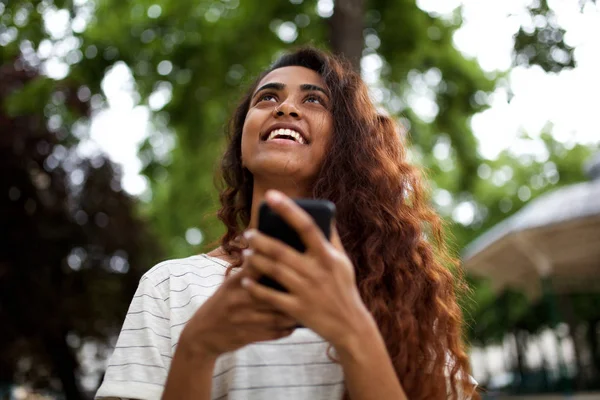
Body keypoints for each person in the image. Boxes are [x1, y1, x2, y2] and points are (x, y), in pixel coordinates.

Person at [95, 46, 478, 400]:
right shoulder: (168, 287)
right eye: (267, 98)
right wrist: (196, 347)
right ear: (241, 148)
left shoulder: (400, 287)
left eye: (313, 99)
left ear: (346, 144)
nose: (285, 108)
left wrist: (352, 329)